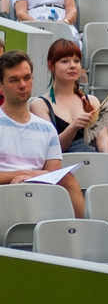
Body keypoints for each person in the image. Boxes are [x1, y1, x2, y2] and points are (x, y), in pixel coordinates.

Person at [0, 49, 85, 215]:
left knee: (68, 179)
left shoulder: (47, 129)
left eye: (27, 78)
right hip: (4, 197)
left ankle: (77, 228)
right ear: (1, 87)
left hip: (38, 199)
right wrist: (25, 174)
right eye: (14, 80)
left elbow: (53, 176)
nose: (22, 85)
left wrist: (28, 178)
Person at [32, 38, 108, 154]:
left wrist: (106, 159)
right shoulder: (39, 105)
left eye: (76, 61)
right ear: (51, 65)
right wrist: (73, 127)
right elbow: (50, 149)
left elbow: (103, 139)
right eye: (65, 61)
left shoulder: (92, 101)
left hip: (92, 161)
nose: (72, 66)